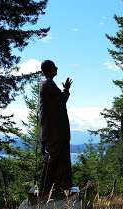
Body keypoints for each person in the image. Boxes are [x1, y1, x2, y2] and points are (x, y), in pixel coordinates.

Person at [39, 60, 73, 197]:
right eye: (54, 67)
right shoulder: (48, 84)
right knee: (54, 160)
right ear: (50, 70)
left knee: (55, 160)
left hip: (54, 130)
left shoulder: (47, 84)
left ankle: (53, 187)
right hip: (55, 131)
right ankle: (47, 189)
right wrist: (66, 90)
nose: (57, 68)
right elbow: (61, 100)